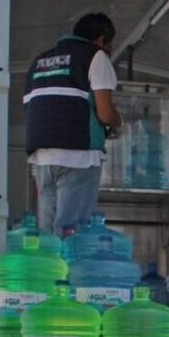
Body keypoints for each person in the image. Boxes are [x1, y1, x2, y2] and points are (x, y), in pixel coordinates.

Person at [24, 12, 121, 234]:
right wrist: (117, 119)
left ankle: (50, 269)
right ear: (100, 40)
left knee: (49, 237)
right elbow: (105, 115)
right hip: (78, 158)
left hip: (41, 159)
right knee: (71, 233)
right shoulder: (95, 56)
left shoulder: (39, 61)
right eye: (109, 44)